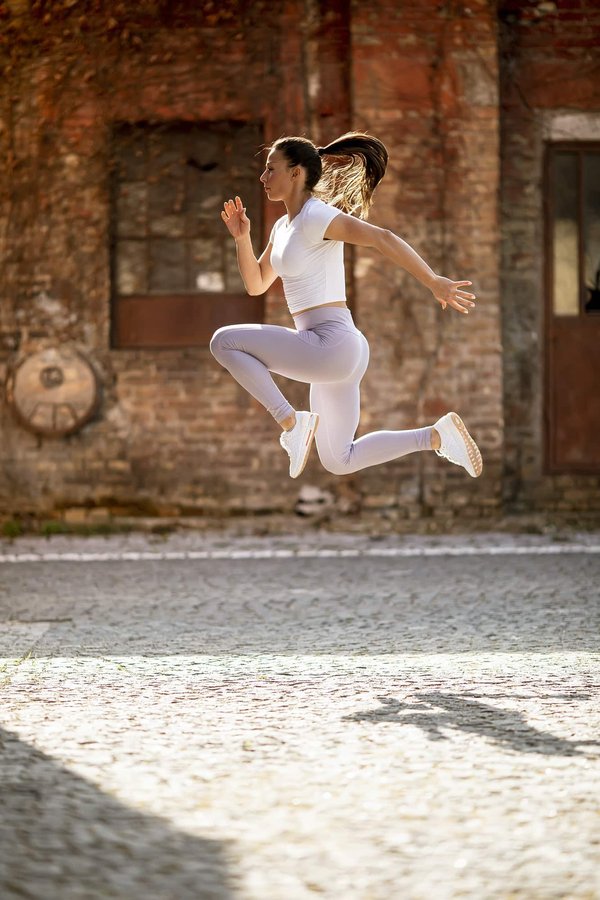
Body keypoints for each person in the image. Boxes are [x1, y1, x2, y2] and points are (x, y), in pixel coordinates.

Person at [210, 132, 483, 480]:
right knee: (339, 459)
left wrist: (433, 281)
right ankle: (436, 436)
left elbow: (382, 238)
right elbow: (256, 284)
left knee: (223, 341)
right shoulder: (283, 227)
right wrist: (241, 238)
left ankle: (290, 422)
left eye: (270, 169)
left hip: (331, 345)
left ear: (296, 173)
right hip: (335, 350)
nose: (263, 178)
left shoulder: (316, 217)